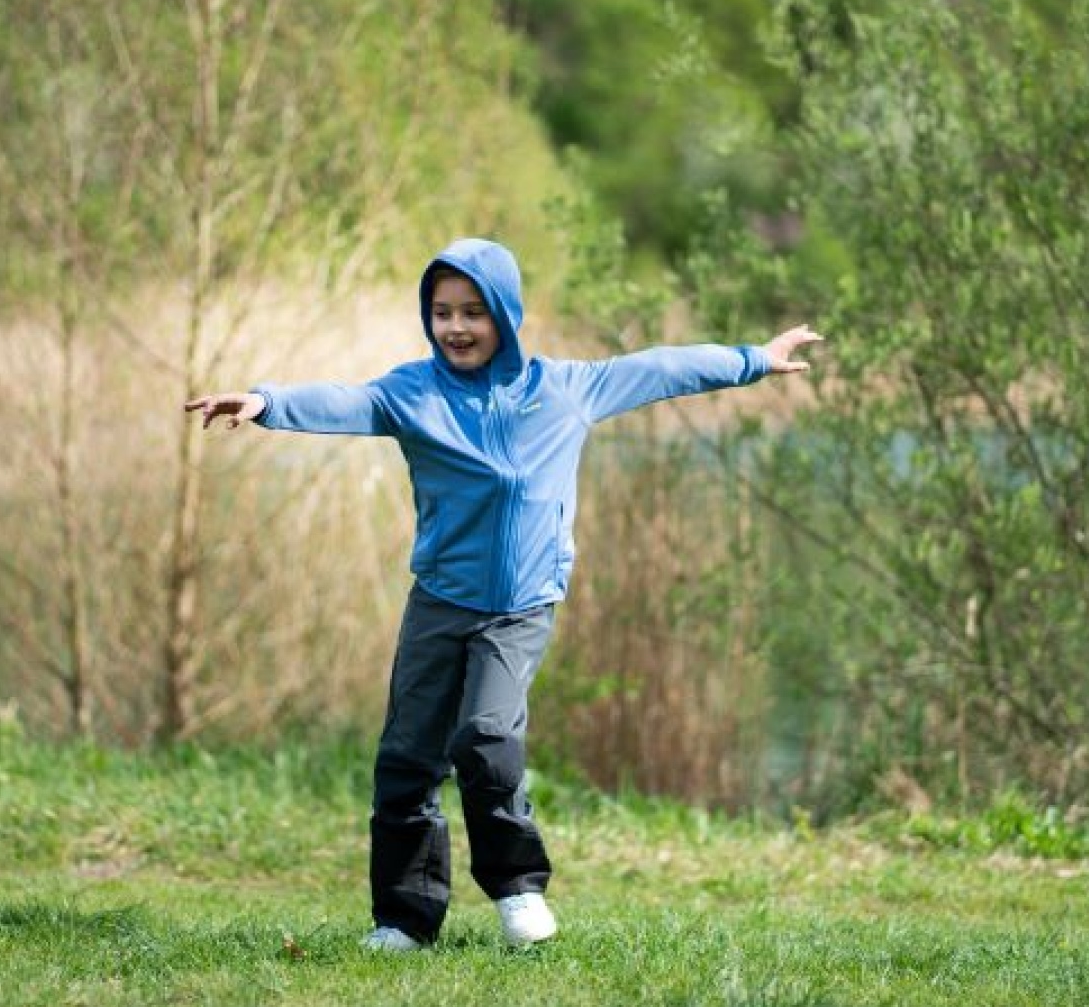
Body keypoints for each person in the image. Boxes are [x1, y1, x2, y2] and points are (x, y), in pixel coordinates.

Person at [185, 237, 821, 952]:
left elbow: (661, 368)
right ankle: (405, 919)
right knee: (407, 758)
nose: (456, 327)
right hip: (440, 601)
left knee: (486, 739)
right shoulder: (413, 394)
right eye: (442, 312)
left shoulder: (566, 389)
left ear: (505, 315)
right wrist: (266, 401)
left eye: (473, 312)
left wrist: (753, 359)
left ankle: (518, 890)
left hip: (519, 608)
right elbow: (345, 401)